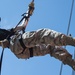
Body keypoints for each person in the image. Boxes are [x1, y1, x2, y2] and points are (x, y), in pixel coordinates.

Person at [0, 1, 75, 70]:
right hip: (16, 43)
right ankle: (72, 41)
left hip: (21, 52)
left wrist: (29, 12)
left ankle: (72, 63)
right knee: (43, 34)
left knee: (51, 48)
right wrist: (2, 43)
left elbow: (23, 26)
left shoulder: (9, 30)